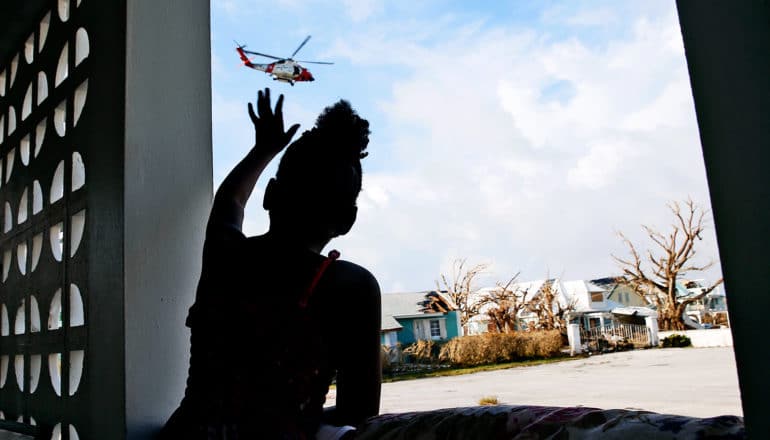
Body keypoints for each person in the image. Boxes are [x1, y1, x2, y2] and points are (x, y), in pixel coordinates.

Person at [161, 88, 382, 439]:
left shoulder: (226, 256)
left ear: (269, 195)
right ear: (347, 221)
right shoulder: (352, 286)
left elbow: (230, 200)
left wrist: (264, 149)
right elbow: (359, 408)